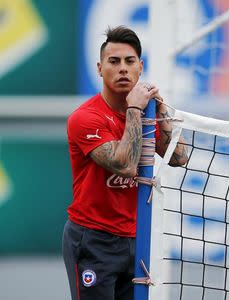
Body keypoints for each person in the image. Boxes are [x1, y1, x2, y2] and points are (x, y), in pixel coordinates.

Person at [62, 25, 187, 300]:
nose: (122, 69)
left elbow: (180, 158)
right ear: (99, 68)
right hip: (93, 240)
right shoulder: (85, 118)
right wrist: (134, 109)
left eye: (129, 62)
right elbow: (127, 165)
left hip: (136, 239)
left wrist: (161, 111)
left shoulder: (148, 113)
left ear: (140, 67)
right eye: (113, 61)